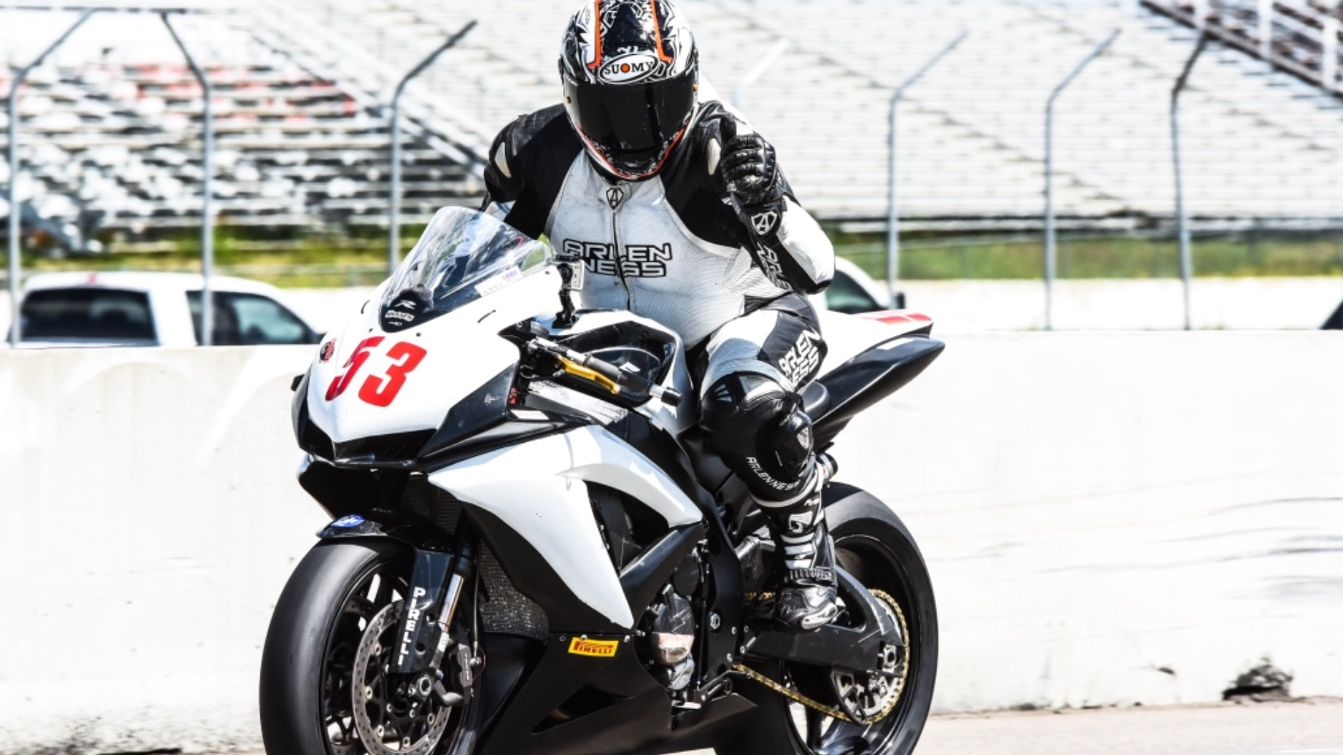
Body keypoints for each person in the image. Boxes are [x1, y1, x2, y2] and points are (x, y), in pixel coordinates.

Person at [481, 0, 839, 631]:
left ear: (691, 85)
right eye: (609, 108)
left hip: (742, 320)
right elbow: (482, 258)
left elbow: (815, 270)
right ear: (571, 96)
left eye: (655, 103)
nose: (633, 131)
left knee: (740, 401)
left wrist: (766, 206)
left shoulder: (722, 146)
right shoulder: (537, 150)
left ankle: (806, 553)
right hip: (616, 344)